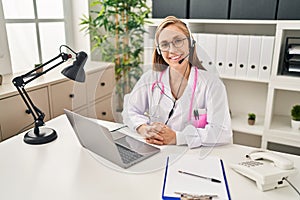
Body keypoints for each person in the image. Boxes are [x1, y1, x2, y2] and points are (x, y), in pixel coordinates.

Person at [122, 16, 232, 148]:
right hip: (156, 151)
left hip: (194, 156)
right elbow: (130, 111)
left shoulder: (212, 84)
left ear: (191, 44)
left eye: (178, 41)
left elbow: (222, 132)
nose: (172, 50)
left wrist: (177, 137)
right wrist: (143, 128)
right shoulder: (149, 79)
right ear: (159, 50)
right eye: (164, 44)